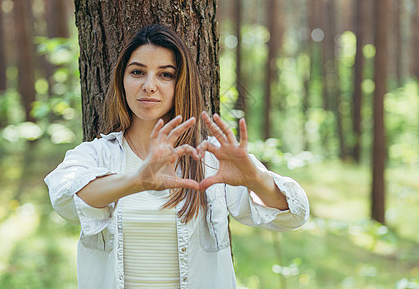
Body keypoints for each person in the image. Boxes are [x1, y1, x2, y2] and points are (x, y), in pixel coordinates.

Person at [45, 24, 309, 289]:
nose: (149, 86)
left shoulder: (210, 156)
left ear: (180, 84)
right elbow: (65, 198)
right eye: (137, 72)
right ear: (121, 81)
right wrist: (138, 180)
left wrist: (255, 179)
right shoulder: (97, 154)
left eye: (165, 75)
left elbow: (295, 215)